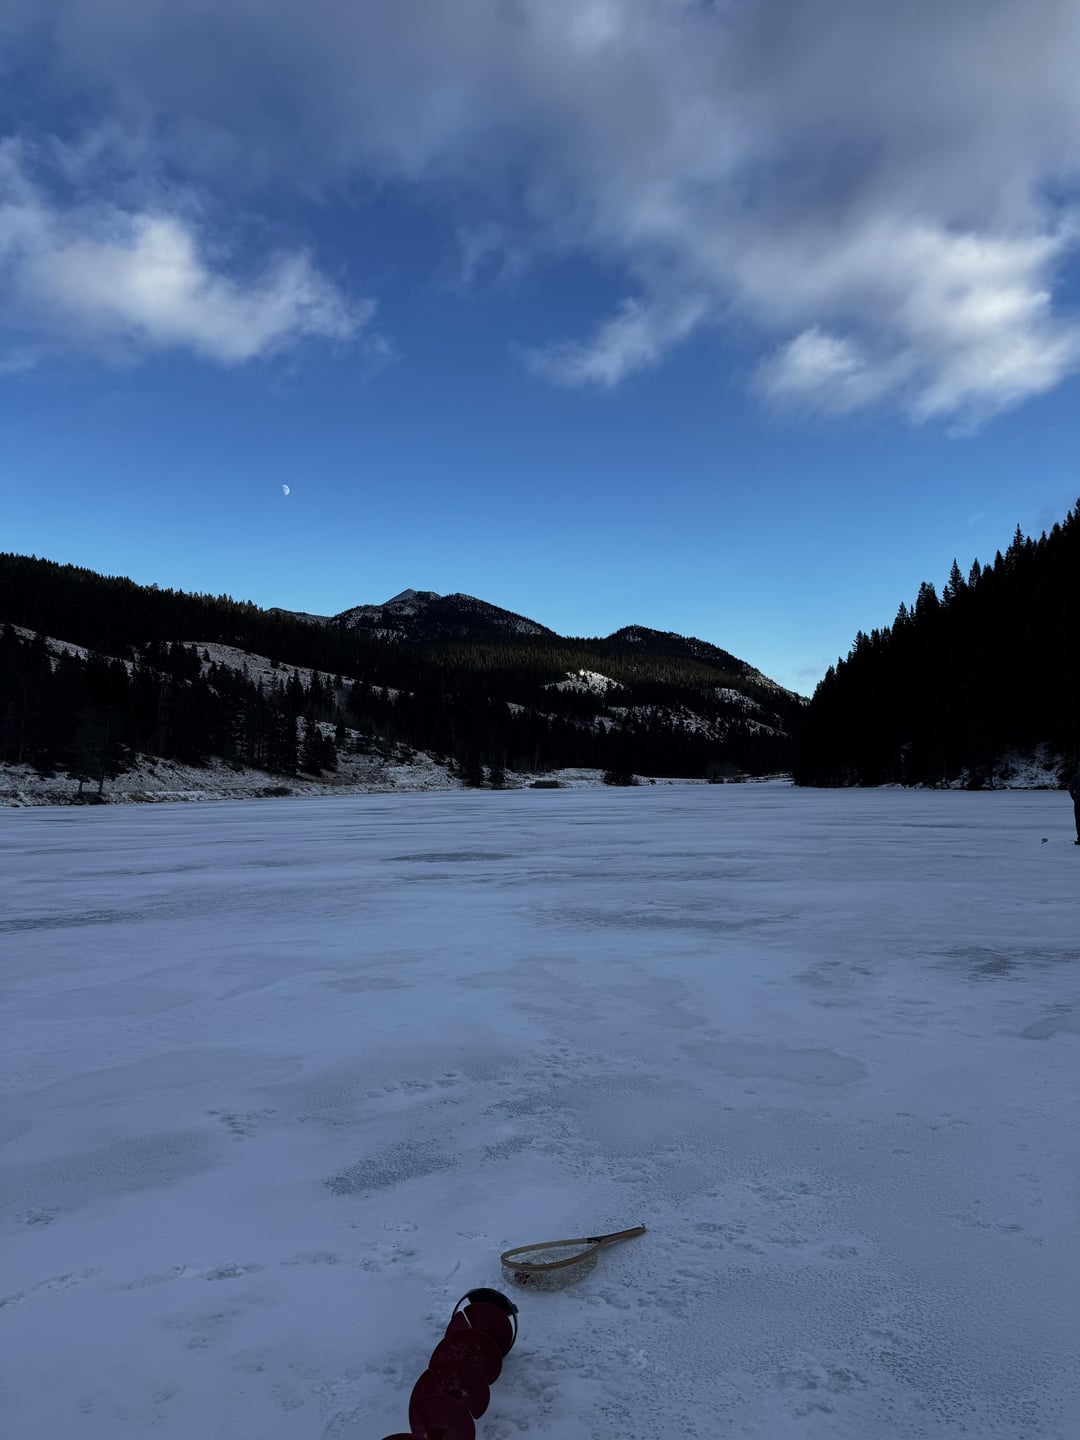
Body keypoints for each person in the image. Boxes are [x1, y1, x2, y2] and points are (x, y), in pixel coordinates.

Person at [1070, 770, 1080, 845]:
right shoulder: (1076, 776)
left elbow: (1071, 789)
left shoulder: (1076, 776)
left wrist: (1074, 798)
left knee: (1079, 820)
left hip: (1078, 801)